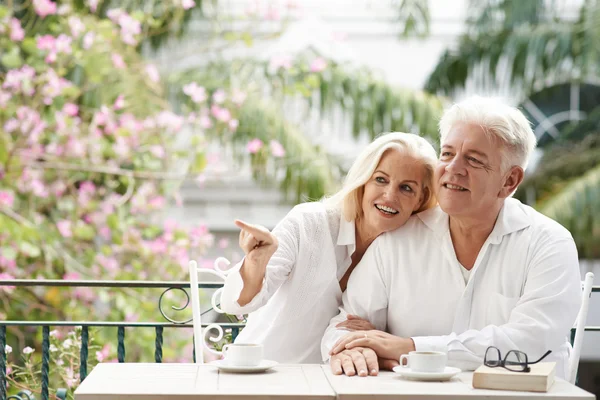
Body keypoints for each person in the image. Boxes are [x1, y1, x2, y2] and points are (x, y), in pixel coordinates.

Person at [322, 96, 582, 379]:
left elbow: (530, 342)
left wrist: (409, 348)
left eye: (473, 159)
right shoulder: (397, 240)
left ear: (509, 181)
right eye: (446, 154)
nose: (453, 168)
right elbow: (345, 324)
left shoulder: (548, 243)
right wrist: (353, 350)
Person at [219, 132, 438, 366]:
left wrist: (374, 336)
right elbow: (237, 303)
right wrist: (255, 263)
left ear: (421, 199)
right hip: (259, 374)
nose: (390, 195)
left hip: (334, 385)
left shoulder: (409, 253)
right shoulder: (308, 223)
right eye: (381, 179)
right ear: (363, 181)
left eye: (406, 188)